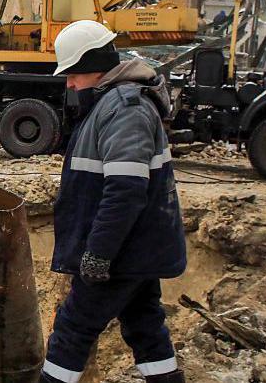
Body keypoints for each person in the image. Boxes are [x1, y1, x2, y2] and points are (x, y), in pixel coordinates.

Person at [40, 20, 186, 383]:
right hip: (136, 249)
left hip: (120, 254)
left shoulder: (124, 108)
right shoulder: (114, 104)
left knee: (73, 329)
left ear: (95, 68)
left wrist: (99, 253)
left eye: (73, 74)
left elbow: (125, 190)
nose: (69, 84)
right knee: (145, 327)